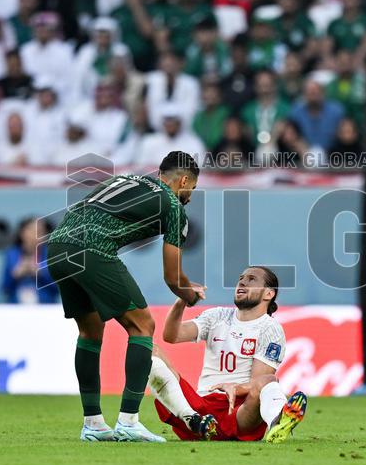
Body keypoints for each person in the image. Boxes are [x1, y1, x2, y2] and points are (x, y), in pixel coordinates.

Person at [46, 151, 206, 442]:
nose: (190, 197)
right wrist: (188, 296)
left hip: (57, 246)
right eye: (191, 189)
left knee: (90, 332)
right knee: (143, 326)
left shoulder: (127, 180)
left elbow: (178, 278)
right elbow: (171, 277)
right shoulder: (172, 205)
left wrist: (186, 285)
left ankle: (93, 424)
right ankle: (129, 421)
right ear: (183, 180)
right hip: (92, 249)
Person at [149, 266, 308, 444]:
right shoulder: (217, 316)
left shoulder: (270, 328)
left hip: (238, 412)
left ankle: (277, 423)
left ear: (268, 294)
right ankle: (191, 419)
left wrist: (235, 387)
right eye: (241, 278)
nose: (242, 281)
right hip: (200, 407)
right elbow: (172, 335)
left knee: (268, 381)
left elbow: (258, 382)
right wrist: (182, 301)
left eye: (252, 279)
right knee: (149, 350)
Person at [1, 217, 59, 305]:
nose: (38, 235)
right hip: (16, 309)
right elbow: (5, 288)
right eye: (33, 231)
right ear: (22, 233)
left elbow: (59, 288)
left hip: (45, 308)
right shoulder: (11, 254)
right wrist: (16, 274)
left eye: (41, 232)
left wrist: (40, 273)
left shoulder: (51, 254)